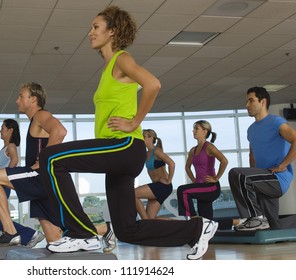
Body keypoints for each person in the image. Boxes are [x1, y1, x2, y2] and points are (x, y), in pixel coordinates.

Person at [39, 5, 218, 260]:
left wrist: (134, 122)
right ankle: (197, 228)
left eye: (95, 27)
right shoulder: (108, 68)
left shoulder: (122, 58)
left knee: (51, 157)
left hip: (123, 146)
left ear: (112, 32)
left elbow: (153, 84)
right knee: (127, 230)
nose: (90, 32)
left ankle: (81, 234)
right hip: (118, 155)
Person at [0, 82, 67, 247]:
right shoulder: (35, 121)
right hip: (43, 182)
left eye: (21, 96)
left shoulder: (41, 115)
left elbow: (60, 131)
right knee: (55, 238)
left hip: (38, 177)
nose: (17, 100)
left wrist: (42, 161)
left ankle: (10, 232)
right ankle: (103, 230)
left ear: (33, 99)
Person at [229, 86, 296, 231]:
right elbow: (252, 157)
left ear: (263, 102)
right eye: (246, 102)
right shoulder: (251, 130)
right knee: (272, 227)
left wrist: (283, 165)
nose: (247, 105)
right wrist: (251, 179)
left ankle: (254, 218)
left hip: (276, 178)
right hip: (262, 179)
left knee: (236, 173)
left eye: (251, 101)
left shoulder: (276, 122)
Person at [177, 120, 228, 220]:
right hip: (201, 187)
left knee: (182, 190)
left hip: (211, 187)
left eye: (197, 129)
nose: (194, 131)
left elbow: (224, 161)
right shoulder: (193, 150)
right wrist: (194, 180)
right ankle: (236, 222)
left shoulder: (209, 147)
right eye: (194, 129)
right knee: (206, 222)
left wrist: (216, 178)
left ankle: (193, 218)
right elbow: (187, 167)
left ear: (205, 132)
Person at [135, 129, 174, 219]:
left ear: (151, 138)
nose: (142, 138)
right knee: (152, 219)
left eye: (144, 137)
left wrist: (168, 181)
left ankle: (145, 221)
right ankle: (182, 225)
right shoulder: (145, 153)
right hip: (157, 186)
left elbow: (172, 163)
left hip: (163, 186)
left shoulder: (157, 151)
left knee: (133, 193)